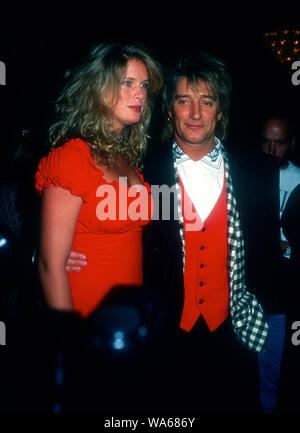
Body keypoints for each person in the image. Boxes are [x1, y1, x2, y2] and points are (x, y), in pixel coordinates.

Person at [68, 51, 272, 413]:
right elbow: (96, 215)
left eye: (206, 102)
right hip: (166, 335)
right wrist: (58, 250)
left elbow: (266, 252)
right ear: (168, 110)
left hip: (234, 332)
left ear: (220, 111)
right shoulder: (140, 164)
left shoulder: (257, 169)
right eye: (184, 101)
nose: (195, 113)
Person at [35, 42, 162, 318]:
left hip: (126, 316)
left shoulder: (126, 158)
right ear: (98, 88)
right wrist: (66, 341)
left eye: (144, 85)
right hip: (84, 315)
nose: (140, 94)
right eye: (128, 83)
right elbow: (49, 265)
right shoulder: (72, 158)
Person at [258, 115, 300, 412]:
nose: (272, 150)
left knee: (274, 364)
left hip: (284, 285)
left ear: (291, 144)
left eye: (280, 143)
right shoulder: (249, 174)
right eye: (266, 142)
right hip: (250, 281)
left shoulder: (299, 179)